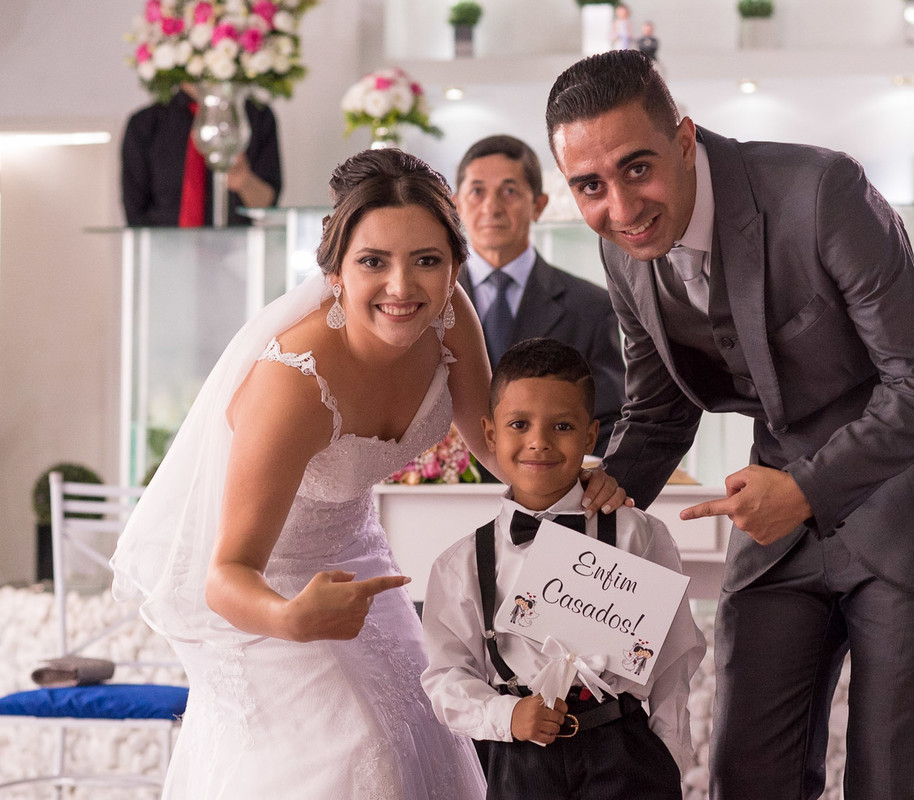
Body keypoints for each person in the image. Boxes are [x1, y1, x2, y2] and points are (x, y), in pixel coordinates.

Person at [545, 50, 914, 800]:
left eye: (636, 168)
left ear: (683, 139)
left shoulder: (820, 191)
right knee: (745, 777)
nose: (620, 206)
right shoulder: (625, 252)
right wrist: (582, 510)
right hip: (783, 525)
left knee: (891, 780)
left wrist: (803, 490)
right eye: (589, 186)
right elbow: (659, 408)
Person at [110, 148, 626, 799]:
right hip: (271, 595)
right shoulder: (294, 387)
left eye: (427, 261)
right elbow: (226, 575)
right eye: (373, 262)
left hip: (362, 566)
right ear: (334, 272)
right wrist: (293, 618)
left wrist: (583, 479)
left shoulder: (448, 316)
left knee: (427, 728)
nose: (402, 287)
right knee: (362, 746)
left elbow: (496, 446)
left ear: (455, 266)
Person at [421, 337, 705, 800]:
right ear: (490, 434)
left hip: (626, 750)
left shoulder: (640, 536)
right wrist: (503, 716)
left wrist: (668, 751)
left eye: (562, 426)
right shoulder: (462, 564)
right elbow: (445, 675)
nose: (539, 441)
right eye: (519, 424)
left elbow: (675, 656)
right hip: (521, 759)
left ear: (591, 436)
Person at [454, 134, 625, 457]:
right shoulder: (430, 304)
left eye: (509, 191)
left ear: (538, 205)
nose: (491, 207)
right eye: (477, 192)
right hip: (439, 497)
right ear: (456, 205)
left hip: (556, 493)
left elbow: (610, 423)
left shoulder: (591, 307)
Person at [121, 83, 282, 226]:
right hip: (165, 252)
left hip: (235, 251)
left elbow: (268, 207)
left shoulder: (256, 117)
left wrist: (244, 181)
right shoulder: (145, 123)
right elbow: (135, 213)